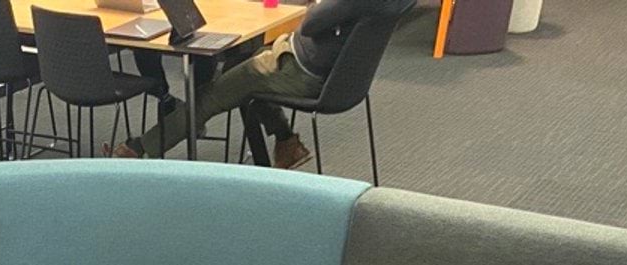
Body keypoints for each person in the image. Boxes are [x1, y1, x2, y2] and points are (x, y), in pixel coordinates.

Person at [115, 0, 416, 163]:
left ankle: (138, 149)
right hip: (335, 76)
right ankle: (287, 143)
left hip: (301, 71)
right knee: (238, 65)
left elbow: (310, 24)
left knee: (208, 97)